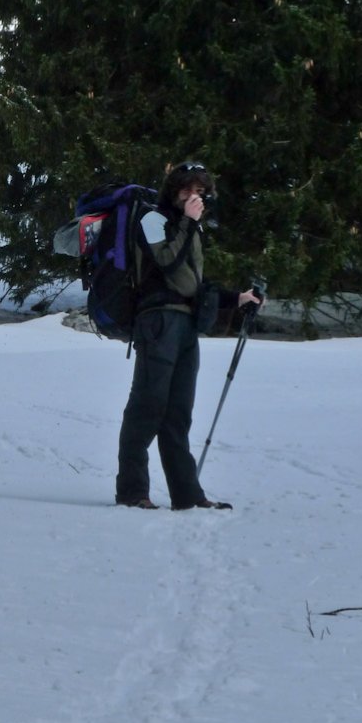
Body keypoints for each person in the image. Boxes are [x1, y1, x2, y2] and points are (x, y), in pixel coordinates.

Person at [115, 161, 261, 511]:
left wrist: (237, 298)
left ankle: (187, 496)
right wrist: (188, 222)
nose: (194, 197)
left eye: (200, 191)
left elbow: (191, 284)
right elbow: (166, 260)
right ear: (173, 191)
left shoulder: (190, 229)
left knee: (178, 413)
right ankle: (132, 492)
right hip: (157, 321)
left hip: (184, 326)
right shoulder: (152, 219)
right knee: (147, 406)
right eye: (187, 189)